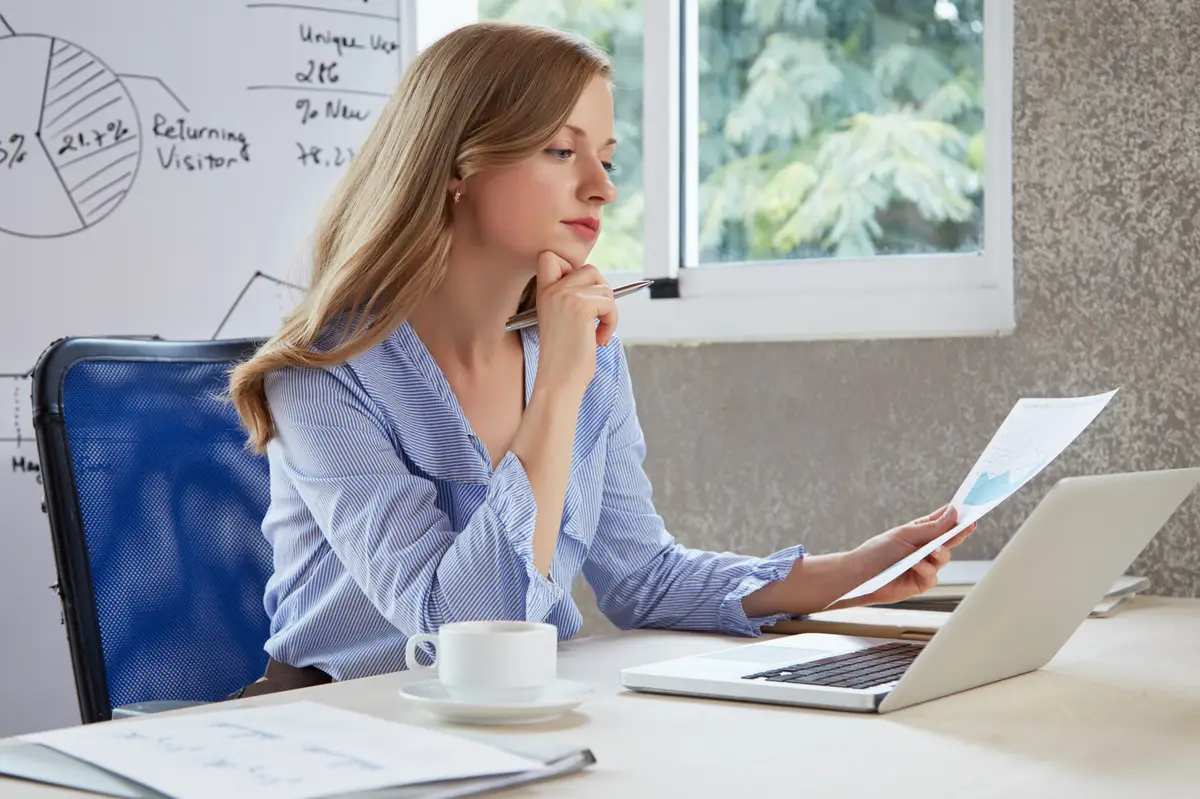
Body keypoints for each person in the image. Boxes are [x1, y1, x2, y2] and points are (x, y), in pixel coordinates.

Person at [227, 21, 974, 697]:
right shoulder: (324, 376)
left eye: (607, 157)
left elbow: (642, 578)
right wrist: (555, 388)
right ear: (457, 164)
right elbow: (459, 630)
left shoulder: (580, 354)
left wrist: (852, 572)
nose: (603, 188)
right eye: (561, 151)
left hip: (521, 719)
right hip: (344, 729)